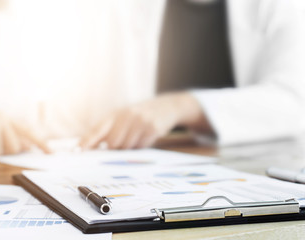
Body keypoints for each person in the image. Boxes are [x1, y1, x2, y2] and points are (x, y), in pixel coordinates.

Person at [81, 0, 305, 150]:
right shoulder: (121, 8)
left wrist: (182, 107)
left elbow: (293, 102)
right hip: (138, 168)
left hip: (248, 164)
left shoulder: (281, 6)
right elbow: (88, 98)